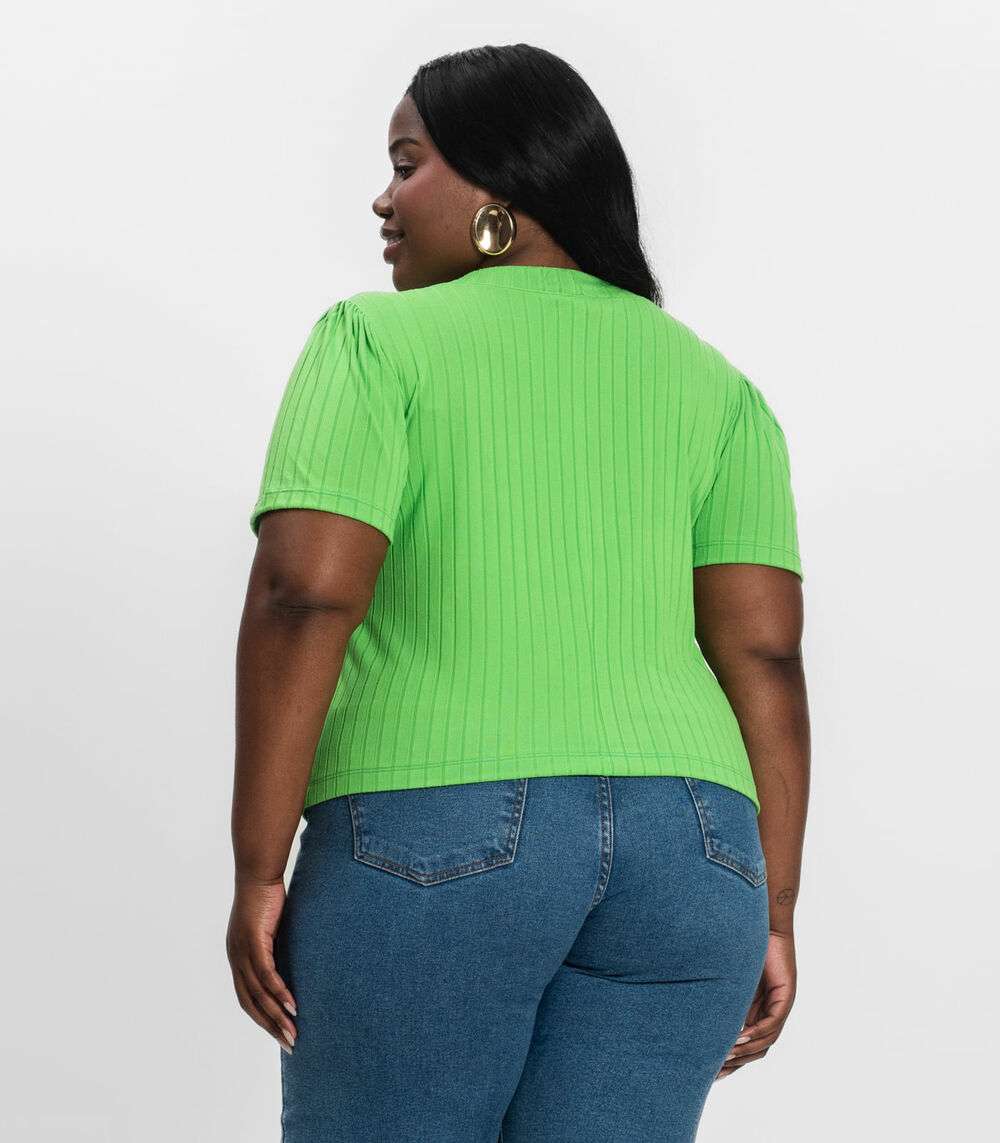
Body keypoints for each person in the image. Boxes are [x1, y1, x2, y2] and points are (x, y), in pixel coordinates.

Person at [226, 42, 810, 1143]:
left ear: (502, 191)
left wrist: (259, 866)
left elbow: (303, 594)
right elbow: (765, 655)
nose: (383, 199)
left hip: (436, 829)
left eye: (408, 163)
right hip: (696, 855)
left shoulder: (373, 343)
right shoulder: (715, 385)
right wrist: (772, 906)